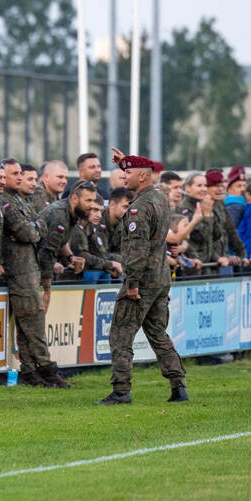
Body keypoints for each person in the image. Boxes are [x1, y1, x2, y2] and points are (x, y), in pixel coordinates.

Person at [99, 151, 188, 405]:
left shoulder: (138, 207)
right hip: (161, 277)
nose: (122, 177)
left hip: (143, 280)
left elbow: (137, 251)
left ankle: (121, 390)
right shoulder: (160, 198)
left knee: (120, 334)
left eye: (127, 173)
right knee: (158, 333)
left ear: (141, 176)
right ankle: (178, 386)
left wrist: (131, 284)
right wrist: (126, 161)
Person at [0, 161, 68, 387]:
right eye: (15, 174)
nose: (19, 178)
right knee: (33, 321)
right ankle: (47, 369)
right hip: (18, 270)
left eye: (21, 174)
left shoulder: (21, 199)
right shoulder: (5, 201)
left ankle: (29, 371)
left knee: (28, 321)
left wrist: (33, 228)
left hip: (29, 269)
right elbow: (28, 231)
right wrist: (33, 228)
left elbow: (37, 227)